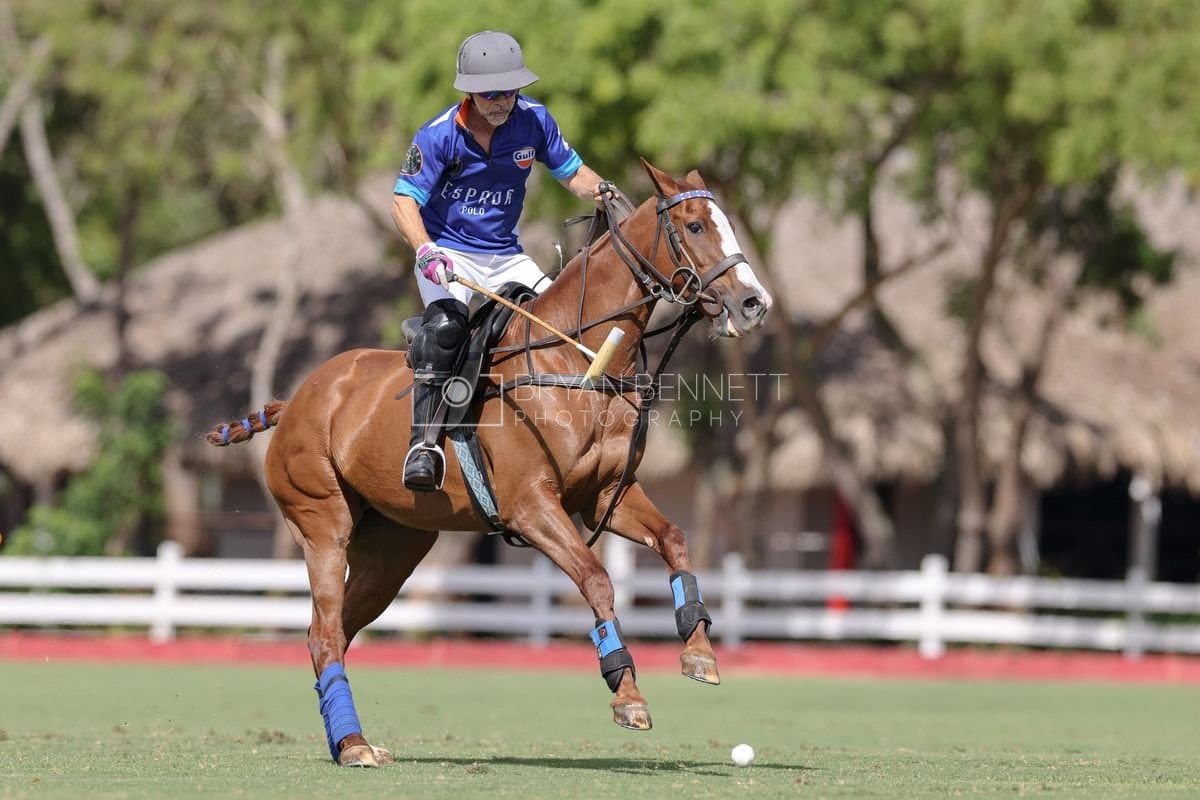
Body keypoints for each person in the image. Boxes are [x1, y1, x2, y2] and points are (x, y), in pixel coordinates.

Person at [392, 30, 608, 492]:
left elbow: (573, 173)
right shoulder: (438, 135)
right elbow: (403, 201)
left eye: (510, 91)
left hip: (506, 256)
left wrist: (605, 191)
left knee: (564, 322)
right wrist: (425, 249)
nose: (502, 102)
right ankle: (423, 444)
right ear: (469, 92)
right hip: (448, 251)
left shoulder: (534, 120)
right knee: (447, 328)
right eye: (491, 93)